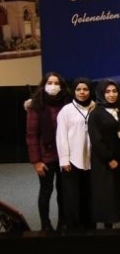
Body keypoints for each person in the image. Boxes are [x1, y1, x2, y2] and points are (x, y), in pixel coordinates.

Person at [26, 72, 71, 231]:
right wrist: (36, 161)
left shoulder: (67, 103)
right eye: (50, 83)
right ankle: (45, 224)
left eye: (56, 83)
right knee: (46, 191)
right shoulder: (36, 106)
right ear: (44, 85)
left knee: (63, 191)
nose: (53, 86)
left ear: (61, 86)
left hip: (65, 156)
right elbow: (31, 135)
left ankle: (63, 222)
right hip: (45, 157)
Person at [56, 77, 95, 230]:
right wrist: (64, 160)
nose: (82, 92)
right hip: (72, 160)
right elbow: (61, 136)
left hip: (92, 160)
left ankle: (90, 225)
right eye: (78, 89)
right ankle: (73, 227)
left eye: (85, 89)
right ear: (74, 91)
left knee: (89, 194)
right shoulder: (66, 111)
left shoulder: (96, 107)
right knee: (72, 196)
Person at [88, 79, 120, 229]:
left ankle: (111, 223)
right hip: (103, 161)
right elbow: (96, 140)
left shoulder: (117, 110)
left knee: (115, 192)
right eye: (108, 92)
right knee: (105, 193)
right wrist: (109, 159)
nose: (112, 94)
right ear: (101, 93)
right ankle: (105, 227)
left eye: (114, 91)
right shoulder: (96, 114)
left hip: (117, 158)